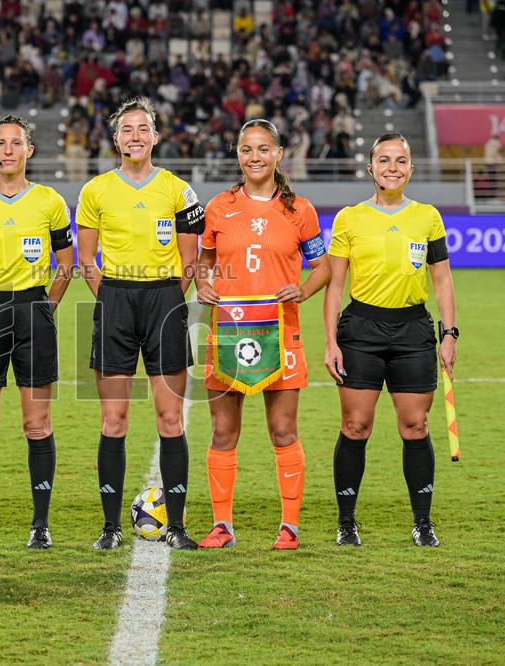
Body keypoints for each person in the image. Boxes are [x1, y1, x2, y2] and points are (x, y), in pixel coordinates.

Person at [76, 96, 205, 551]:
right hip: (115, 300)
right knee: (114, 420)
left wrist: (167, 299)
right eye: (127, 129)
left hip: (164, 302)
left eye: (142, 128)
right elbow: (86, 259)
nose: (135, 136)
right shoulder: (95, 192)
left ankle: (177, 527)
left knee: (170, 419)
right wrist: (111, 298)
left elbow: (190, 261)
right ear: (116, 140)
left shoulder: (177, 190)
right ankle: (110, 528)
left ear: (155, 136)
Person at [195, 119, 330, 551]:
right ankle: (222, 526)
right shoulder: (219, 206)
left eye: (262, 149)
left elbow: (323, 267)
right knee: (222, 432)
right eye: (246, 149)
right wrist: (201, 283)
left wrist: (303, 290)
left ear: (277, 154)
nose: (254, 157)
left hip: (281, 329)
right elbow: (204, 261)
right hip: (230, 330)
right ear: (238, 155)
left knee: (283, 430)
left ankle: (288, 527)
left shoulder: (300, 210)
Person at [323, 133, 458, 548]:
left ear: (411, 168)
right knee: (355, 425)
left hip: (413, 331)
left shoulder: (428, 217)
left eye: (401, 160)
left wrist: (449, 334)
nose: (393, 167)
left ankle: (422, 522)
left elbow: (442, 279)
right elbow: (334, 286)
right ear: (370, 168)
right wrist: (331, 342)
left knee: (415, 426)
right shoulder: (349, 218)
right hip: (361, 330)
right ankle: (347, 522)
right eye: (384, 160)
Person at [0, 115, 74, 549]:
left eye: (15, 143)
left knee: (36, 425)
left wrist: (45, 306)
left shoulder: (50, 201)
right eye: (0, 143)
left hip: (33, 309)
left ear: (29, 151)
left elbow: (66, 264)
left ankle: (40, 525)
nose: (7, 149)